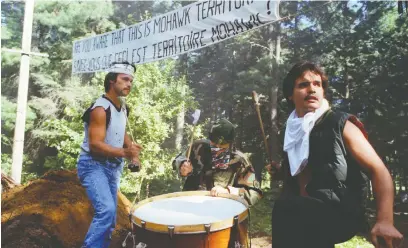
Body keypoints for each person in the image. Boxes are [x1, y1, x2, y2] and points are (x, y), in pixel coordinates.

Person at [270, 61, 403, 248]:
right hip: (304, 209)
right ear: (290, 95)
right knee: (289, 208)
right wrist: (280, 171)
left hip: (340, 210)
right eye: (303, 84)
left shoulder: (339, 123)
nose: (312, 89)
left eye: (317, 84)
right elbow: (303, 170)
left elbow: (378, 169)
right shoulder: (291, 131)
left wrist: (385, 221)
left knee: (286, 209)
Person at [77, 61, 142, 248]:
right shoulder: (100, 108)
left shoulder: (122, 108)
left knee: (111, 218)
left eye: (131, 81)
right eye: (125, 79)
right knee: (106, 210)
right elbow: (95, 145)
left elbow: (121, 133)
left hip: (113, 167)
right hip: (93, 165)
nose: (129, 84)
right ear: (112, 81)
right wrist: (125, 152)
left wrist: (133, 154)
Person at [172, 118, 262, 206]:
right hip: (189, 204)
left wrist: (229, 191)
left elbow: (255, 193)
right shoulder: (198, 147)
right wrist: (182, 166)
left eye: (222, 146)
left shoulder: (240, 161)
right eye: (214, 143)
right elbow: (177, 160)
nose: (217, 148)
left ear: (231, 143)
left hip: (220, 211)